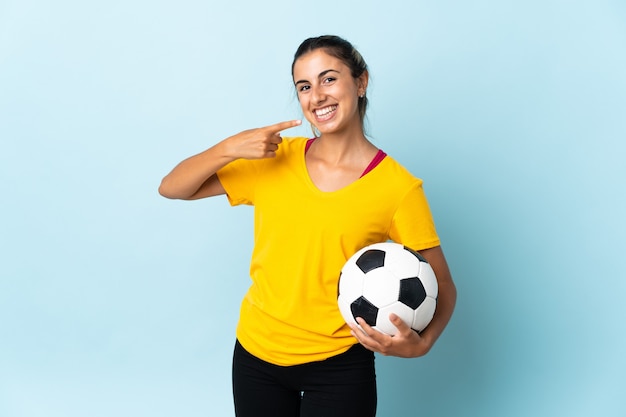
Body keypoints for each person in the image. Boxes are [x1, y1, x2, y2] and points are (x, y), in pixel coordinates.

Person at [159, 35, 456, 417]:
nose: (316, 96)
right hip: (255, 357)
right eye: (304, 86)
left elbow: (443, 283)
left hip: (338, 367)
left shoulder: (398, 188)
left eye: (328, 79)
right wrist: (229, 147)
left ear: (361, 82)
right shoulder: (274, 158)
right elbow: (172, 188)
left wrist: (423, 343)